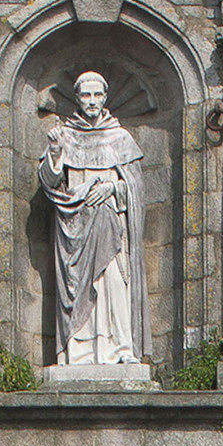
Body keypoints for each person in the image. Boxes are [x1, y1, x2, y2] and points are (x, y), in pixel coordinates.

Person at [37, 71, 149, 366]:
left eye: (97, 95)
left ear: (105, 98)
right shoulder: (66, 136)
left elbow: (136, 188)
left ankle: (121, 347)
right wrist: (55, 151)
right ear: (77, 98)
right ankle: (78, 352)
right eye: (86, 95)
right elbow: (50, 183)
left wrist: (113, 187)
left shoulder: (120, 137)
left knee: (113, 283)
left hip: (111, 228)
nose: (92, 101)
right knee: (78, 287)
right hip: (75, 229)